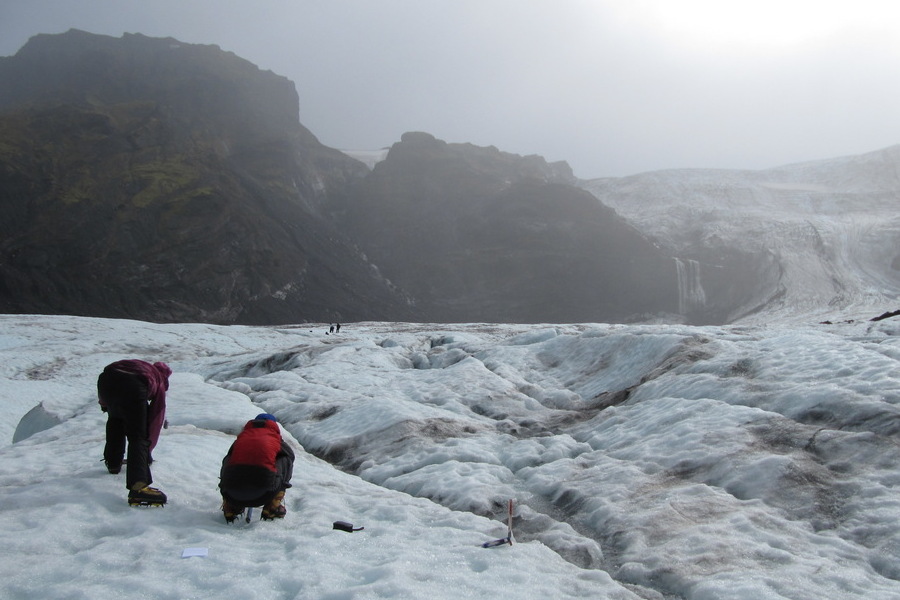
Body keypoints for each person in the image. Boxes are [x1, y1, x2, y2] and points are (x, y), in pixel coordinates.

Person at [97, 359, 172, 506]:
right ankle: (138, 487)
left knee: (115, 419)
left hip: (106, 379)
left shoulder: (142, 367)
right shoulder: (158, 379)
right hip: (133, 385)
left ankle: (113, 462)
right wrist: (146, 451)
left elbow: (109, 402)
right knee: (138, 436)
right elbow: (155, 419)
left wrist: (105, 405)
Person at [219, 413, 295, 522]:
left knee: (230, 459)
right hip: (265, 492)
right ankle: (272, 507)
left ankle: (230, 506)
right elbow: (290, 456)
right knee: (285, 459)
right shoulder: (275, 439)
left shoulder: (240, 439)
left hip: (231, 493)